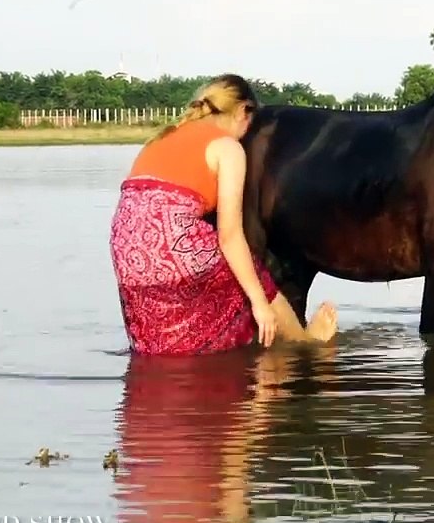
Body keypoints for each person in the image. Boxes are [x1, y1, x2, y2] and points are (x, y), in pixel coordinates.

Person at [109, 73, 338, 356]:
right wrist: (259, 302)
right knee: (254, 274)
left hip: (128, 252)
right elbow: (230, 236)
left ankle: (167, 364)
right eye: (249, 125)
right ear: (243, 111)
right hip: (172, 244)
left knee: (164, 329)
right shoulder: (226, 148)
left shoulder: (159, 139)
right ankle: (306, 345)